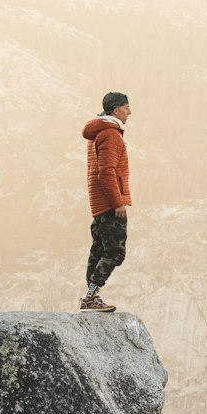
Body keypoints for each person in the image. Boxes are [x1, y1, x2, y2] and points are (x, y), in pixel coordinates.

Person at [80, 92, 131, 312]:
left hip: (99, 203)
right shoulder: (110, 134)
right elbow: (106, 172)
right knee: (115, 252)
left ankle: (90, 296)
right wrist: (118, 201)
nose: (129, 112)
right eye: (126, 107)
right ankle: (91, 297)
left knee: (99, 250)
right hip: (110, 203)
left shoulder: (98, 132)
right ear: (115, 109)